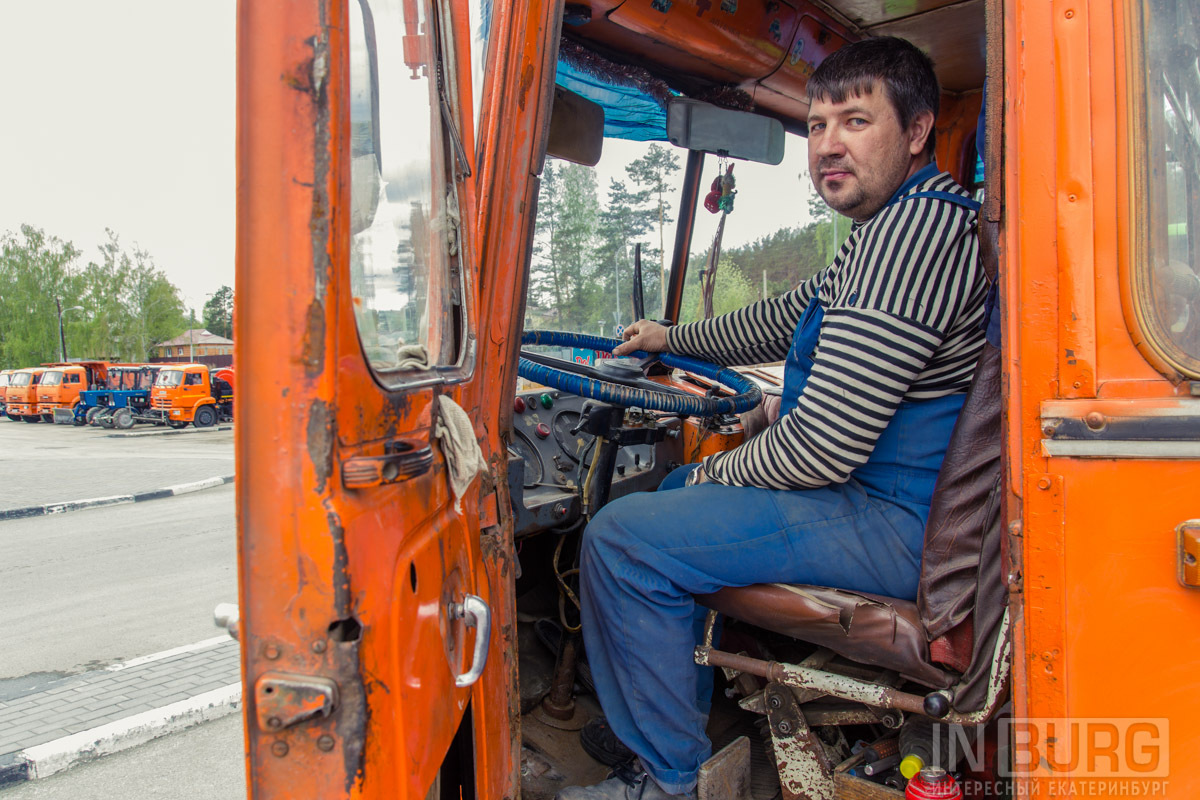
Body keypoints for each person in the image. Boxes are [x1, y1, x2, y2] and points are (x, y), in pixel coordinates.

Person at [554, 35, 988, 800]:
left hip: (890, 518)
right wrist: (669, 338)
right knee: (677, 486)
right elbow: (783, 317)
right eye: (817, 126)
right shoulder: (891, 228)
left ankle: (666, 777)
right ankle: (666, 720)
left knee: (621, 539)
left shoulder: (914, 237)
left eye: (855, 121)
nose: (827, 145)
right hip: (878, 501)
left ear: (917, 131)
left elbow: (821, 448)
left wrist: (721, 464)